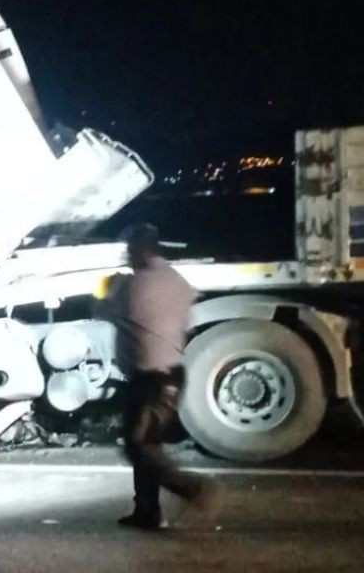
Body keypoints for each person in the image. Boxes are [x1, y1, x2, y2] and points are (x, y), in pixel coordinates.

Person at [112, 224, 222, 530]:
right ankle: (147, 511)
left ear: (141, 250)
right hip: (172, 373)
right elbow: (187, 328)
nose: (127, 257)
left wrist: (111, 286)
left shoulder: (136, 286)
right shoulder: (178, 281)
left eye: (130, 251)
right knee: (148, 445)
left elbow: (105, 308)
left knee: (138, 446)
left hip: (152, 378)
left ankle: (193, 489)